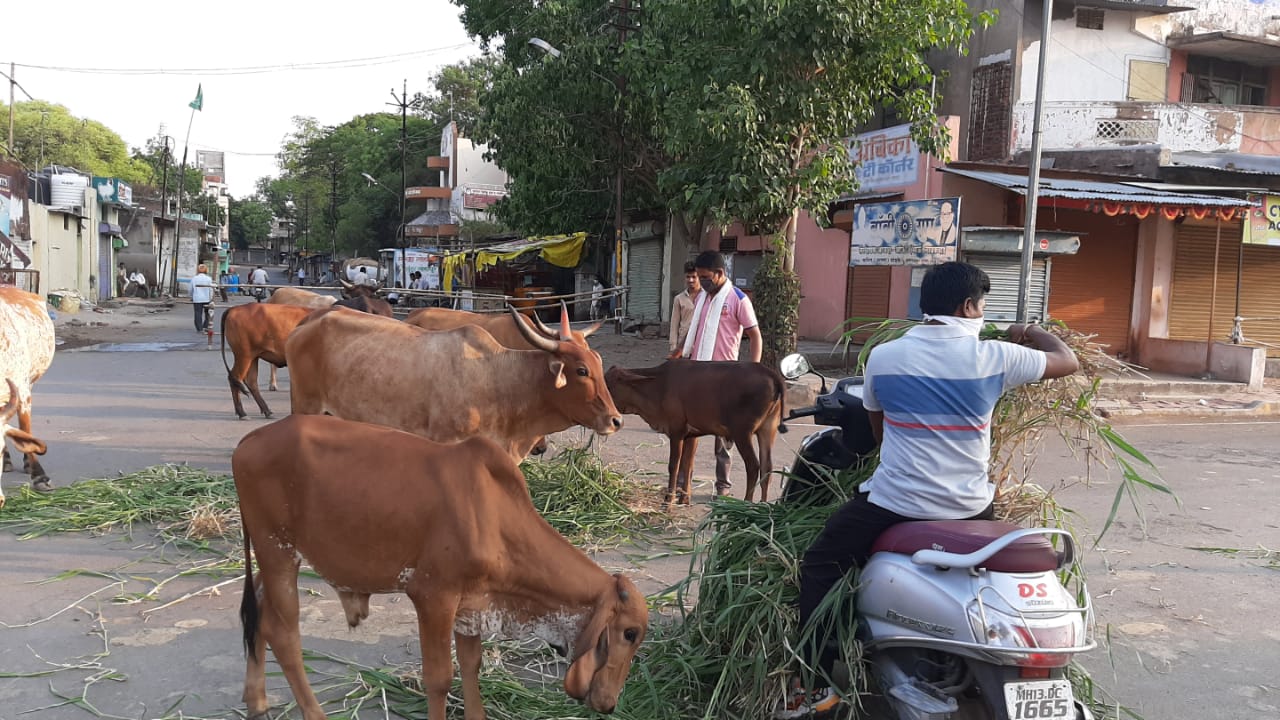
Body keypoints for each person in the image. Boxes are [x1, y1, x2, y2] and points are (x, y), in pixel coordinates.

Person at [776, 261, 1080, 720]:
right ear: (968, 306)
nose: (982, 315)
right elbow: (1068, 360)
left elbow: (877, 431)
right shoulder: (996, 356)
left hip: (894, 504)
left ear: (926, 305)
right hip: (971, 509)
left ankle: (816, 685)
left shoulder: (885, 356)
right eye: (981, 306)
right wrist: (1029, 328)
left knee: (821, 563)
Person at [677, 250, 763, 497]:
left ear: (720, 274)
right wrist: (680, 351)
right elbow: (696, 330)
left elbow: (754, 335)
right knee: (688, 429)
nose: (702, 282)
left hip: (725, 378)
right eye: (699, 277)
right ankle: (684, 482)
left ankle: (722, 488)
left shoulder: (738, 299)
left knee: (725, 435)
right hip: (696, 373)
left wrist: (752, 370)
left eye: (706, 278)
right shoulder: (702, 297)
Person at [668, 261, 701, 359]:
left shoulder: (706, 297)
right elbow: (674, 324)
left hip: (700, 343)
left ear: (699, 277)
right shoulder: (679, 298)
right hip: (683, 345)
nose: (691, 280)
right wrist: (673, 347)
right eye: (688, 277)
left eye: (694, 277)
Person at [191, 264, 215, 334]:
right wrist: (211, 298)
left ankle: (199, 328)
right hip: (206, 298)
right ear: (206, 270)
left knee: (198, 313)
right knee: (207, 313)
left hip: (197, 298)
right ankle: (205, 325)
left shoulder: (194, 278)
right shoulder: (209, 279)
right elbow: (211, 289)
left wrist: (191, 296)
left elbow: (191, 289)